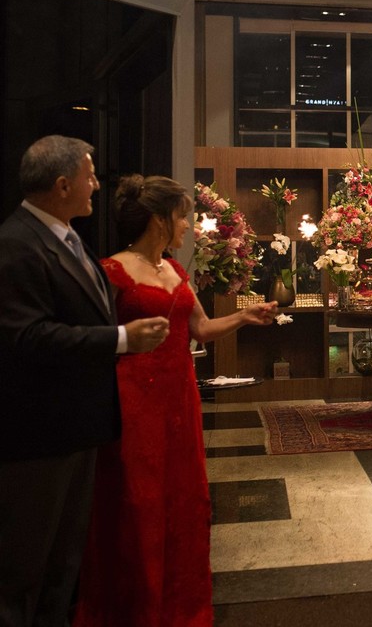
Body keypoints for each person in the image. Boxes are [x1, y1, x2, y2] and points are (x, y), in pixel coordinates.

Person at [72, 175, 276, 626]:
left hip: (179, 399)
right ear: (159, 220)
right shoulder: (110, 271)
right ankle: (134, 611)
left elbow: (200, 329)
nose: (187, 225)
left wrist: (244, 316)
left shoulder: (175, 271)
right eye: (182, 217)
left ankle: (180, 608)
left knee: (184, 500)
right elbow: (91, 340)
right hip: (131, 401)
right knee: (137, 504)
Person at [0, 136, 168, 627]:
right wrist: (120, 338)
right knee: (24, 569)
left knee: (62, 565)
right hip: (39, 435)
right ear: (61, 184)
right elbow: (24, 337)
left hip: (77, 427)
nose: (96, 184)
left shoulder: (67, 238)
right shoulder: (16, 244)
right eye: (89, 176)